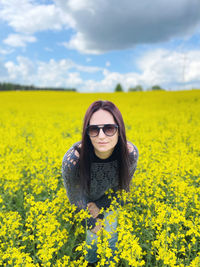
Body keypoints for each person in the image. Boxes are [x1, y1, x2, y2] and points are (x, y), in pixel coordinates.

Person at [62, 100, 139, 265]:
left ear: (120, 130)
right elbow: (74, 195)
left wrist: (102, 205)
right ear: (87, 133)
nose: (102, 136)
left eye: (109, 128)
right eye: (94, 129)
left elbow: (123, 189)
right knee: (92, 236)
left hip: (111, 198)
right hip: (85, 200)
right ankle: (91, 262)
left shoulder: (130, 154)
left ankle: (110, 262)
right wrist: (90, 220)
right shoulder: (73, 159)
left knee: (112, 234)